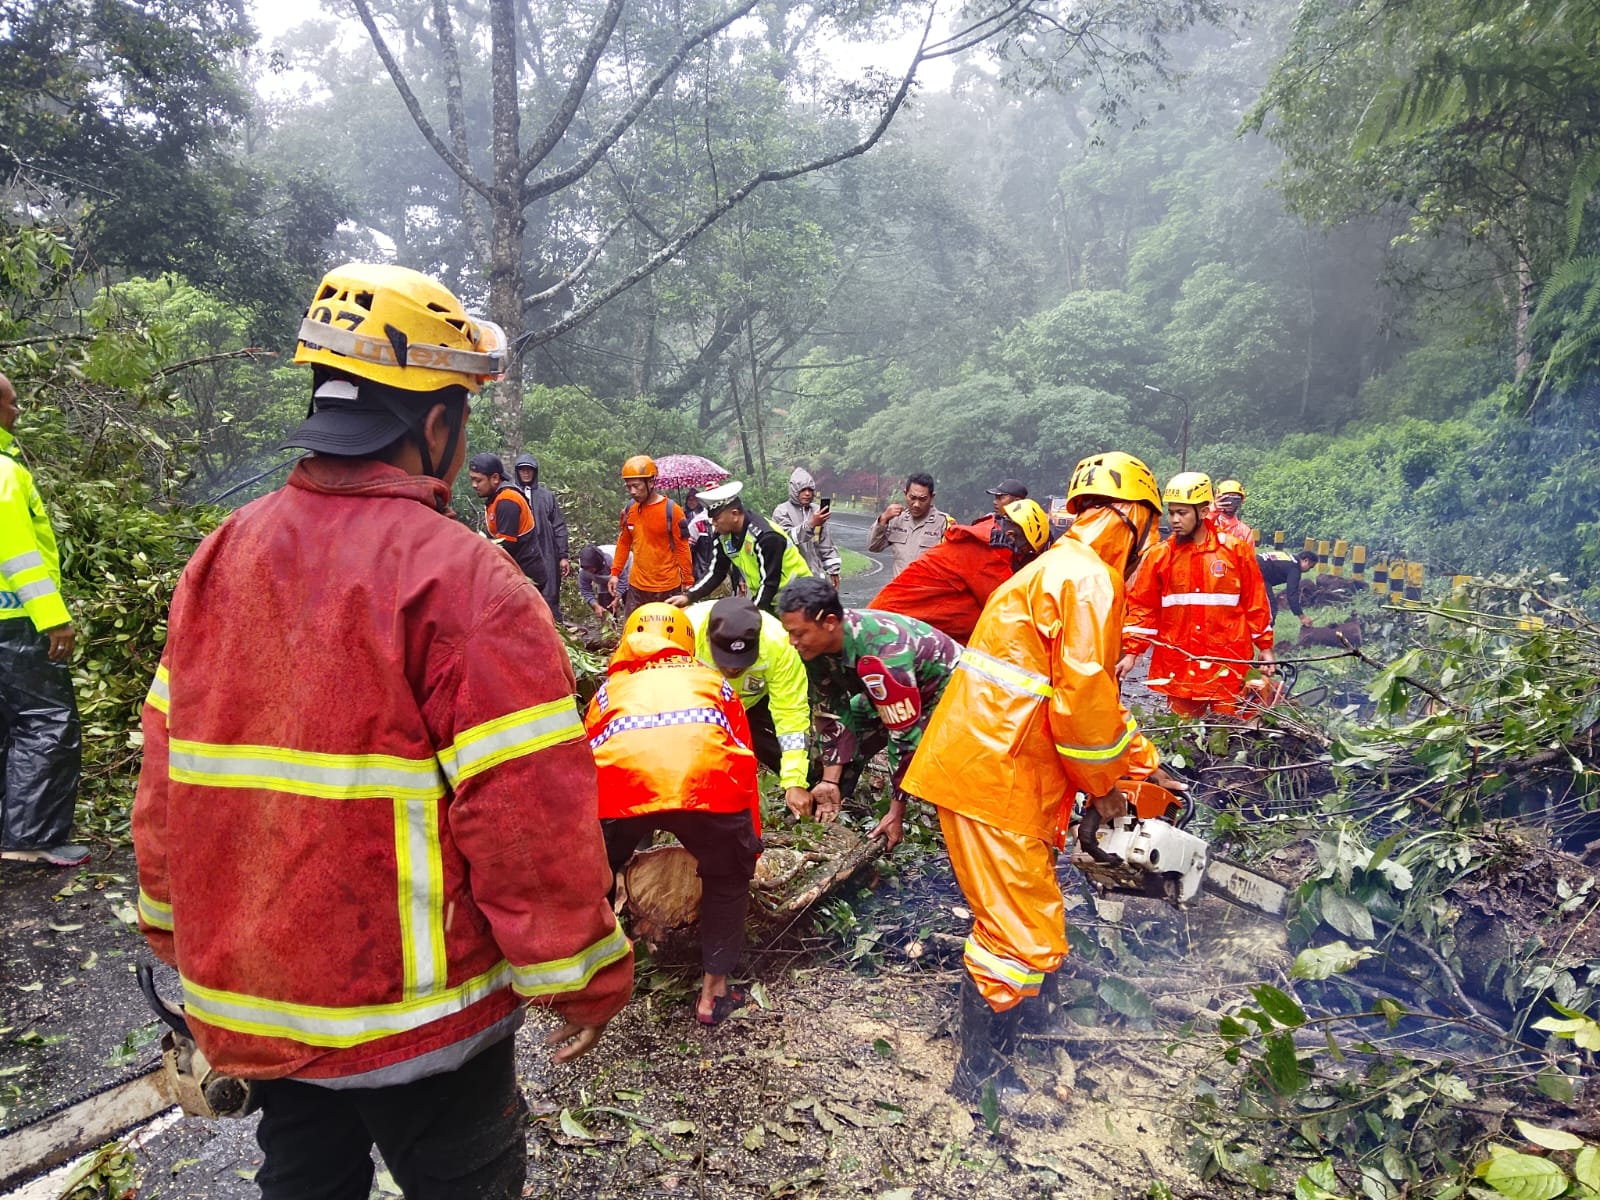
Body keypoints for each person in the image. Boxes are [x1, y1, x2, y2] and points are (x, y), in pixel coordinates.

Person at [132, 264, 632, 1200]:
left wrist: (171, 923)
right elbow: (526, 814)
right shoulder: (463, 581)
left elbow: (167, 775)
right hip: (417, 1019)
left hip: (263, 1001)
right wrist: (582, 975)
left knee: (303, 1177)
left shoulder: (220, 555)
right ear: (435, 423)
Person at [902, 491, 1170, 1107]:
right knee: (1021, 933)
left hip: (998, 765)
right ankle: (981, 1075)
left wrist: (1141, 764)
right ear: (1135, 522)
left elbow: (1090, 700)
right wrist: (1106, 790)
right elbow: (1080, 705)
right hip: (999, 773)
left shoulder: (1056, 569)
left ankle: (1024, 1021)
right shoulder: (1090, 579)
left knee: (1022, 912)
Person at [585, 603, 760, 1027]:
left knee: (597, 876)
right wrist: (747, 848)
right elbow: (745, 765)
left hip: (620, 788)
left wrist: (591, 848)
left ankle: (600, 984)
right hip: (707, 783)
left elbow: (583, 761)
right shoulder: (714, 683)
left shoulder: (606, 692)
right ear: (688, 642)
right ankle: (712, 994)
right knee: (725, 878)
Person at [777, 578, 959, 851]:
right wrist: (830, 778)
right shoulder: (814, 647)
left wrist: (897, 811)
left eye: (799, 633)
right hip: (888, 691)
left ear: (828, 622)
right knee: (849, 731)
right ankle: (834, 799)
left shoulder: (884, 653)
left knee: (930, 763)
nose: (792, 642)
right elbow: (830, 710)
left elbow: (904, 736)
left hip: (948, 693)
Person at [0, 371, 86, 868]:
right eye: (12, 404)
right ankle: (30, 838)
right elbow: (18, 557)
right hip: (15, 623)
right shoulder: (6, 474)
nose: (17, 413)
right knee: (45, 722)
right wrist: (54, 618)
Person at [1116, 472, 1274, 717]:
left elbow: (1255, 600)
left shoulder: (1234, 551)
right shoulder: (1161, 557)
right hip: (1180, 666)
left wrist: (1265, 647)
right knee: (1186, 740)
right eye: (1171, 512)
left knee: (1227, 735)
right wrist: (1132, 653)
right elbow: (1143, 607)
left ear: (1202, 512)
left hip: (1227, 662)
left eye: (1182, 513)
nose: (1175, 520)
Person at [684, 596, 815, 821]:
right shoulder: (685, 632)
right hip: (693, 706)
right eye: (725, 661)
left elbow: (791, 713)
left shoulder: (779, 645)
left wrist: (795, 780)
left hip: (751, 704)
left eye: (742, 661)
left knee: (786, 753)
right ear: (707, 638)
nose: (733, 669)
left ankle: (799, 799)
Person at [869, 499, 1050, 643]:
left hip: (898, 626)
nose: (1023, 557)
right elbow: (1009, 609)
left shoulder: (984, 537)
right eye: (1026, 550)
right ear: (1011, 536)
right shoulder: (988, 553)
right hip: (893, 632)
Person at [680, 481, 811, 614]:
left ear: (735, 514)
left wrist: (751, 615)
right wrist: (688, 597)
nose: (713, 524)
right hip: (770, 599)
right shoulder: (723, 536)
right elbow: (716, 572)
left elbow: (769, 583)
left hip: (798, 599)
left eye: (716, 518)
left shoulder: (766, 536)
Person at [613, 456, 695, 618]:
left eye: (636, 486)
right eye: (628, 487)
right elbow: (624, 542)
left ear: (650, 482)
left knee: (667, 634)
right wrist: (615, 572)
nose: (632, 492)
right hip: (637, 587)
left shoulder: (672, 510)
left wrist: (688, 582)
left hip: (667, 586)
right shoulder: (630, 509)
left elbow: (682, 548)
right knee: (634, 632)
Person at [1062, 451, 1164, 580]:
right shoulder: (1063, 570)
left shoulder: (1161, 569)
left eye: (1100, 508)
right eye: (1083, 511)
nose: (1089, 521)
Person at [468, 453, 545, 588]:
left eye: (478, 480)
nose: (474, 485)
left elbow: (505, 546)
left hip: (527, 578)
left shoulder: (507, 500)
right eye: (472, 480)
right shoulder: (497, 498)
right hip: (518, 574)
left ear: (495, 478)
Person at [512, 454, 570, 619]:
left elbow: (559, 526)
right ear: (517, 472)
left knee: (550, 593)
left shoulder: (546, 496)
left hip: (547, 551)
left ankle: (556, 633)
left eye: (529, 470)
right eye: (522, 470)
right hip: (520, 553)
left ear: (535, 472)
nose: (526, 473)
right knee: (523, 595)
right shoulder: (511, 494)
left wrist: (563, 555)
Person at [868, 473, 953, 578]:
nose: (916, 504)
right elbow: (873, 546)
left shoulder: (944, 523)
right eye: (912, 498)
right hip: (900, 591)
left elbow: (954, 565)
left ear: (932, 497)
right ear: (905, 494)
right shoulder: (897, 519)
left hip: (929, 591)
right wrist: (883, 518)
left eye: (923, 499)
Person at [771, 467, 842, 589]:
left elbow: (825, 543)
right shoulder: (782, 511)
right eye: (803, 489)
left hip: (815, 576)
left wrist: (833, 570)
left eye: (810, 489)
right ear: (794, 490)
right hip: (790, 579)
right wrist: (811, 524)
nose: (807, 493)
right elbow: (787, 539)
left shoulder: (816, 511)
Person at [1259, 548, 1317, 628]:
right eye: (1310, 567)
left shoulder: (1289, 558)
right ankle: (1263, 636)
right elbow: (1292, 594)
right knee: (1270, 608)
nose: (1309, 570)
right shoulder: (1294, 569)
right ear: (1306, 561)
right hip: (1256, 574)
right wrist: (1302, 617)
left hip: (1247, 567)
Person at [579, 543, 629, 618]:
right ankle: (611, 627)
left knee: (629, 600)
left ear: (597, 564)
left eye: (591, 568)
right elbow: (585, 590)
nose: (589, 571)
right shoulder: (584, 572)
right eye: (587, 569)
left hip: (625, 567)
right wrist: (596, 606)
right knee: (606, 608)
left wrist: (617, 598)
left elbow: (623, 579)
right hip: (606, 576)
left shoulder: (611, 561)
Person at [1211, 479, 1257, 546]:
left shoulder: (1245, 531)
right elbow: (1197, 527)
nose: (1230, 502)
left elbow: (1249, 555)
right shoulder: (1209, 523)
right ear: (1218, 499)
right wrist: (1213, 508)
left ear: (1240, 501)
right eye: (1226, 499)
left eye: (1234, 499)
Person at [683, 493, 716, 578]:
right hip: (702, 570)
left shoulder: (726, 520)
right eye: (689, 500)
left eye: (694, 499)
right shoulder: (698, 521)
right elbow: (686, 549)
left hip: (721, 571)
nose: (691, 502)